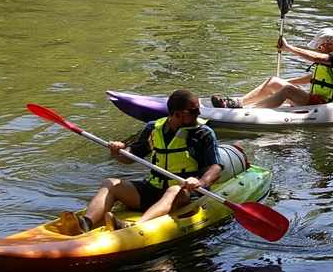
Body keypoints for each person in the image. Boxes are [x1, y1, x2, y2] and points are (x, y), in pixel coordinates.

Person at [73, 89, 229, 232]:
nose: (199, 113)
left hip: (186, 193)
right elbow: (130, 157)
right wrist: (118, 151)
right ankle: (86, 222)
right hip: (153, 189)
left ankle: (136, 227)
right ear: (177, 114)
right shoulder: (154, 129)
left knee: (174, 190)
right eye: (194, 110)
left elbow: (215, 167)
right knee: (110, 183)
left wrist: (200, 182)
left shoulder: (203, 134)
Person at [240, 27, 333, 109]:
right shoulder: (330, 61)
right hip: (315, 98)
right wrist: (283, 82)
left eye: (320, 47)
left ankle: (251, 109)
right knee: (273, 81)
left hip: (327, 103)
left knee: (288, 90)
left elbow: (313, 57)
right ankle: (238, 103)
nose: (318, 50)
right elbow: (311, 79)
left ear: (331, 44)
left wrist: (288, 48)